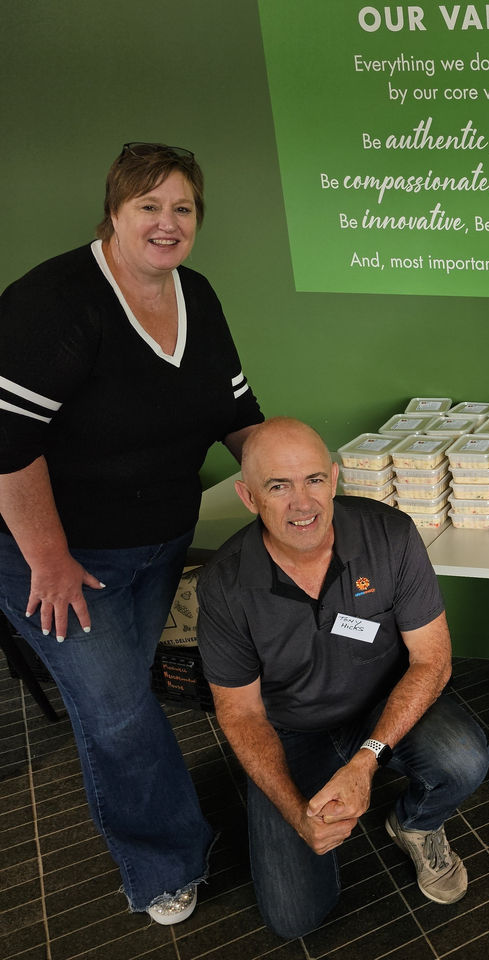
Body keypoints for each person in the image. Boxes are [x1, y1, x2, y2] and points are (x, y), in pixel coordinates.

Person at [0, 142, 264, 924]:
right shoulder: (56, 302)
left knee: (128, 689)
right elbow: (7, 447)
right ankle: (161, 864)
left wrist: (284, 480)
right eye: (149, 205)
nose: (166, 222)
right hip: (53, 554)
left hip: (157, 540)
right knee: (114, 708)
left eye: (182, 208)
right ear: (114, 210)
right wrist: (47, 560)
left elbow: (236, 413)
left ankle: (168, 828)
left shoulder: (197, 295)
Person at [195, 417, 489, 939]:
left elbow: (433, 660)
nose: (302, 503)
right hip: (291, 733)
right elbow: (239, 713)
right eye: (278, 486)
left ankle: (415, 823)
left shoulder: (389, 535)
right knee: (294, 919)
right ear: (248, 497)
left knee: (463, 757)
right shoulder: (225, 583)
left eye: (313, 480)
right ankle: (310, 815)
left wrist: (366, 760)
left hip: (382, 709)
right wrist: (295, 812)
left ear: (334, 479)